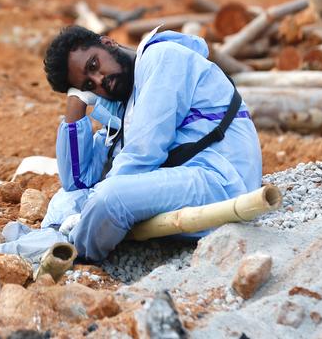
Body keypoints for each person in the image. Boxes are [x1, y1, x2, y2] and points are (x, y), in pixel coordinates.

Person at [41, 25, 262, 261]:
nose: (99, 80)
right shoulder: (124, 104)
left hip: (222, 182)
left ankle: (74, 256)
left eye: (93, 66)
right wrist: (77, 100)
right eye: (88, 85)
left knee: (109, 198)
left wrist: (89, 209)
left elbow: (144, 153)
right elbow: (78, 180)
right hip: (189, 183)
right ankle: (60, 242)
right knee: (66, 200)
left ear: (108, 43)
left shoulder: (161, 58)